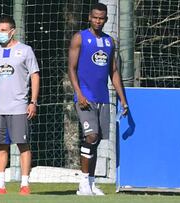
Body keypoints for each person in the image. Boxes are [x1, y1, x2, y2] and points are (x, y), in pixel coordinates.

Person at [68, 3, 129, 196]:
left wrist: (123, 100)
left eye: (101, 18)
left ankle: (92, 184)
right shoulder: (80, 38)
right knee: (91, 136)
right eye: (95, 17)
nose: (98, 21)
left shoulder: (110, 41)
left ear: (106, 19)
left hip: (103, 97)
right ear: (89, 17)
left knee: (97, 142)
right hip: (85, 97)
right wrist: (79, 93)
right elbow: (71, 69)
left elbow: (114, 71)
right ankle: (83, 183)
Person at [0, 16, 40, 196]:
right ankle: (0, 185)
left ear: (12, 31)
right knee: (0, 146)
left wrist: (33, 101)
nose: (0, 33)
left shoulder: (25, 50)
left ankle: (24, 184)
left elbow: (35, 75)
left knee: (22, 144)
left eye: (4, 30)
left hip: (19, 107)